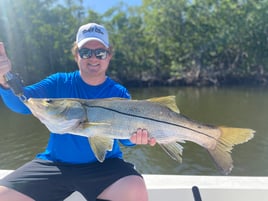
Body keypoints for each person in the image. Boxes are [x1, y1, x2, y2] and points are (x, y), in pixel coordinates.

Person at [0, 22, 156, 201]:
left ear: (109, 56)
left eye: (100, 52)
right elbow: (23, 103)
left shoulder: (118, 92)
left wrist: (136, 138)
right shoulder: (59, 82)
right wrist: (5, 79)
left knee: (135, 188)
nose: (93, 58)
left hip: (105, 166)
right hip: (55, 164)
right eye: (85, 52)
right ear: (76, 55)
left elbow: (126, 141)